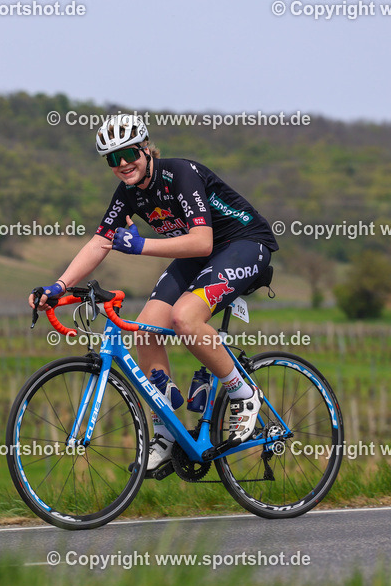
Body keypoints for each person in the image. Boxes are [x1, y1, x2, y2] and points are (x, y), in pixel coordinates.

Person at [30, 115, 279, 471]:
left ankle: (243, 393)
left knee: (184, 317)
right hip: (201, 255)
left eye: (128, 153)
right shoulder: (129, 193)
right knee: (143, 327)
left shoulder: (180, 174)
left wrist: (140, 244)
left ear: (146, 148)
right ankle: (165, 431)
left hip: (243, 243)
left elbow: (202, 240)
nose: (122, 165)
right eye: (112, 159)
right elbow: (101, 240)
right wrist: (59, 286)